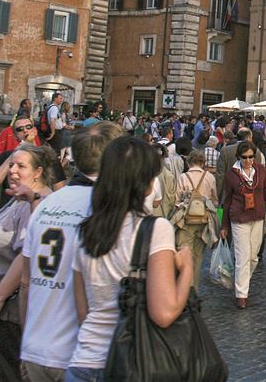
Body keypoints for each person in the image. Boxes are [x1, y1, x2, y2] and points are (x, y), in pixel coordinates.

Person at [69, 137, 191, 380]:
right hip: (133, 363)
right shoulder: (156, 229)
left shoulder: (85, 230)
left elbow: (83, 311)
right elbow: (164, 313)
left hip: (84, 360)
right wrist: (186, 268)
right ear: (144, 182)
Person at [18, 122, 123, 382]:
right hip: (80, 354)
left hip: (35, 348)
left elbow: (25, 282)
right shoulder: (106, 209)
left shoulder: (45, 204)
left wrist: (25, 342)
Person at [0, 144, 56, 380]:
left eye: (21, 166)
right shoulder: (19, 197)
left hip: (10, 306)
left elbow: (25, 257)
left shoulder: (35, 204)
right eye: (11, 165)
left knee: (3, 371)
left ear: (38, 172)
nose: (13, 171)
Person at [221, 141, 266, 308]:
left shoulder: (260, 170)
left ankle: (242, 279)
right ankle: (241, 294)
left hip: (258, 218)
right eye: (244, 157)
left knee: (253, 257)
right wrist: (224, 225)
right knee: (242, 257)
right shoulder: (231, 174)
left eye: (251, 157)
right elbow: (227, 201)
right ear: (239, 157)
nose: (248, 160)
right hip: (239, 219)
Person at [174, 149, 218, 290]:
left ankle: (185, 288)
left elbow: (176, 201)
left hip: (186, 221)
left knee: (185, 255)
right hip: (204, 221)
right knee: (198, 257)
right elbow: (215, 200)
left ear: (189, 162)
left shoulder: (183, 177)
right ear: (203, 162)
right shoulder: (210, 177)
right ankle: (194, 289)